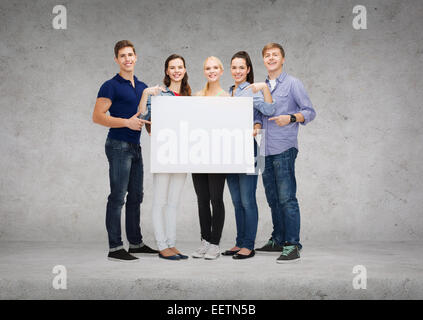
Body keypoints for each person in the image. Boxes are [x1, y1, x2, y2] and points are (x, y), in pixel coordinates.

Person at [92, 40, 158, 262]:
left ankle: (136, 244)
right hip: (118, 145)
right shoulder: (110, 85)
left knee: (136, 197)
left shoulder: (142, 87)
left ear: (136, 57)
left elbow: (146, 120)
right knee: (118, 197)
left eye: (130, 54)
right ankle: (115, 247)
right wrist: (126, 123)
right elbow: (98, 116)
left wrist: (161, 134)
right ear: (116, 60)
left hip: (135, 146)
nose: (127, 59)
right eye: (122, 56)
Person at [254, 42, 316, 263]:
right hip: (264, 149)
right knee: (272, 198)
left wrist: (289, 118)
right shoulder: (260, 87)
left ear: (282, 59)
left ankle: (292, 244)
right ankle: (278, 239)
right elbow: (258, 114)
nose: (271, 58)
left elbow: (309, 112)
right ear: (263, 60)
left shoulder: (293, 84)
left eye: (275, 55)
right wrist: (257, 125)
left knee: (287, 198)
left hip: (284, 148)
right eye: (267, 55)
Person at [222, 51, 275, 260]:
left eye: (241, 67)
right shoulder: (229, 91)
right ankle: (239, 242)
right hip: (229, 149)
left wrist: (263, 87)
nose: (237, 71)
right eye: (234, 67)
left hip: (250, 147)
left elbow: (269, 111)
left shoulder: (253, 90)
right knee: (236, 200)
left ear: (248, 69)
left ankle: (248, 245)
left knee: (247, 199)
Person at [138, 54, 191, 261]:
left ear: (184, 70)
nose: (176, 70)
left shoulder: (188, 97)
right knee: (160, 200)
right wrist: (144, 94)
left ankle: (171, 243)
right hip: (164, 152)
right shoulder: (157, 94)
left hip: (183, 153)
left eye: (180, 67)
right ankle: (161, 245)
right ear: (167, 71)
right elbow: (142, 117)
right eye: (172, 67)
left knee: (174, 202)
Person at [191, 56, 229, 260]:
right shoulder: (197, 95)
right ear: (204, 71)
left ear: (221, 71)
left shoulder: (228, 97)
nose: (211, 71)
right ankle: (205, 240)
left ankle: (215, 243)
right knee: (202, 199)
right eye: (208, 68)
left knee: (216, 198)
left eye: (215, 67)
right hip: (198, 154)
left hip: (218, 154)